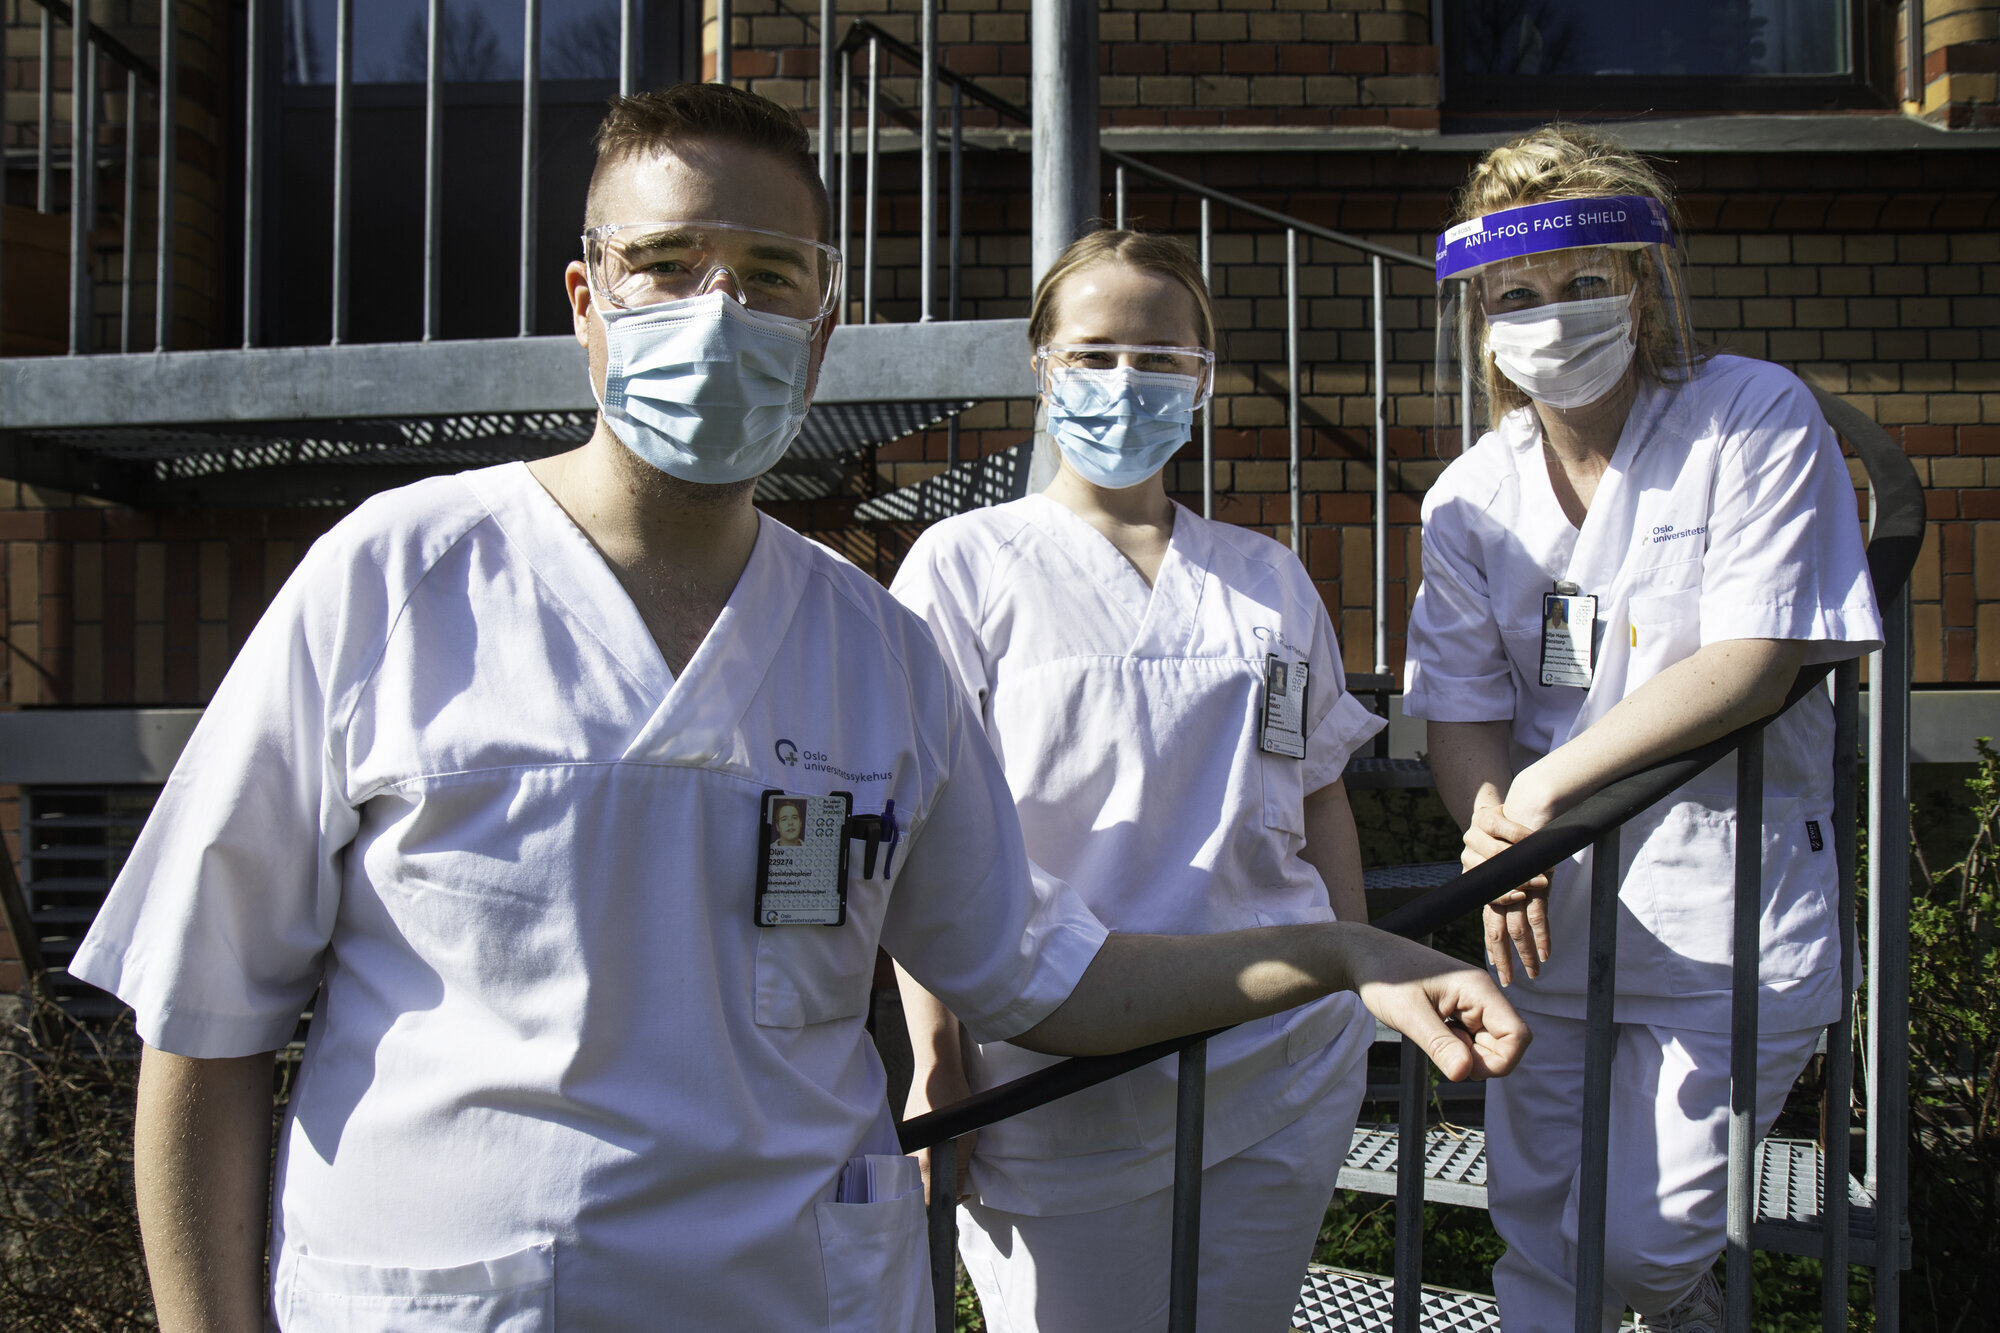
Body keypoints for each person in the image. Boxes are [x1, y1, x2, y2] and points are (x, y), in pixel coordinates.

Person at [70, 85, 1528, 1333]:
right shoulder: (395, 581)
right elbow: (204, 1025)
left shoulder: (874, 651)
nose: (721, 312)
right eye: (666, 263)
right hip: (464, 1293)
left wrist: (1339, 948)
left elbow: (1058, 979)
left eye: (771, 276)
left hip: (798, 1289)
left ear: (823, 330)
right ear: (586, 299)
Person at [1403, 124, 1881, 1331]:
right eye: (1516, 294)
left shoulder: (1748, 417)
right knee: (1533, 1238)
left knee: (1641, 1249)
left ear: (1640, 284)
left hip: (1724, 914)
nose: (1550, 314)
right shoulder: (1469, 495)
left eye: (1581, 284)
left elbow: (1753, 660)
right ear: (1481, 322)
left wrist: (1540, 799)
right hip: (1544, 929)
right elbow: (1458, 711)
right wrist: (1493, 833)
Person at [890, 230, 1380, 1333]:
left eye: (1161, 358)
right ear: (1041, 367)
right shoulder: (963, 567)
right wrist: (934, 1057)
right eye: (1096, 352)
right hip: (1053, 1075)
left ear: (1202, 378)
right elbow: (921, 833)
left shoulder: (1266, 579)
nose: (1128, 382)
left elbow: (1315, 795)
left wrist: (1347, 1003)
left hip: (1276, 1060)